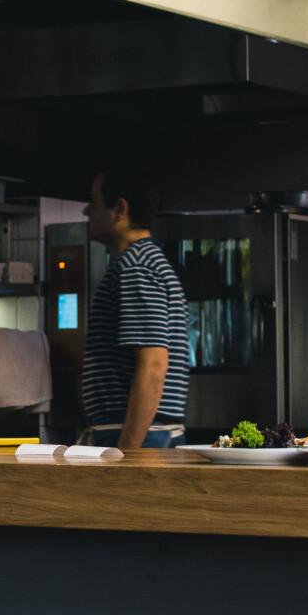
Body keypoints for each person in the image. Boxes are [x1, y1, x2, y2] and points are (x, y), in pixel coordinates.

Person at [80, 165, 189, 449]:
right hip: (147, 431)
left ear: (119, 209)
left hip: (137, 435)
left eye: (94, 202)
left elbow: (153, 365)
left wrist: (126, 456)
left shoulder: (136, 266)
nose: (86, 211)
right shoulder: (146, 262)